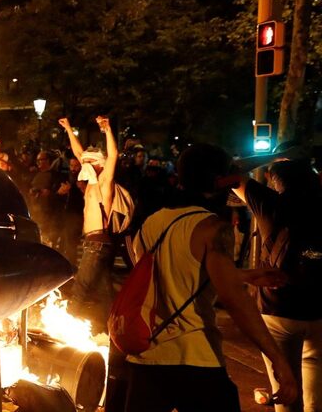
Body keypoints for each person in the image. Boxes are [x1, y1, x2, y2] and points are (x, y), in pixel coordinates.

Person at [111, 143, 299, 411]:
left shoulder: (151, 223)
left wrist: (244, 274)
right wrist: (278, 360)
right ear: (219, 181)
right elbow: (233, 299)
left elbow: (175, 270)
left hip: (146, 358)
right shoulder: (212, 228)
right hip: (196, 358)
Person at [230, 153, 322, 412]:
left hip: (278, 308)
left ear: (278, 181)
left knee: (286, 390)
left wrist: (274, 155)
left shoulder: (271, 203)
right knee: (316, 396)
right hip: (319, 311)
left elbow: (231, 172)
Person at [59, 116, 128, 329]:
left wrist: (107, 130)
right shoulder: (92, 182)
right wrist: (69, 128)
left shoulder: (105, 184)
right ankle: (113, 328)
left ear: (100, 164)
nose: (84, 163)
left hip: (98, 244)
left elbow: (113, 155)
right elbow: (78, 153)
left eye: (90, 161)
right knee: (103, 290)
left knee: (81, 287)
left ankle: (65, 326)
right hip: (96, 243)